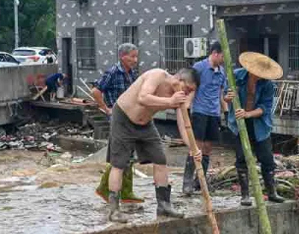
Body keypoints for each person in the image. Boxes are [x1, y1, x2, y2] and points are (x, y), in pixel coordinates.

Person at [106, 67, 200, 224]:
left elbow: (184, 124)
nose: (188, 93)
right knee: (119, 164)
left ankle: (164, 204)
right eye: (188, 89)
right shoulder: (157, 75)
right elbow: (143, 97)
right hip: (123, 118)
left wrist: (193, 148)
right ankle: (114, 210)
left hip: (146, 124)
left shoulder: (179, 97)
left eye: (191, 92)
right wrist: (170, 101)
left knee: (160, 159)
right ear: (179, 80)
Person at [224, 52, 285, 206]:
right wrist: (228, 97)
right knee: (242, 158)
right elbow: (225, 96)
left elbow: (265, 108)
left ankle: (271, 192)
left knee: (267, 159)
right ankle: (245, 195)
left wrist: (248, 113)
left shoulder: (268, 85)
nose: (259, 77)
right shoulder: (236, 76)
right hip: (239, 123)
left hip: (260, 124)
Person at [94, 44, 142, 204]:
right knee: (121, 155)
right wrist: (106, 109)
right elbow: (96, 90)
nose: (135, 60)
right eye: (132, 57)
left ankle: (126, 191)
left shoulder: (132, 74)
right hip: (118, 119)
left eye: (136, 56)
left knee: (129, 154)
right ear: (123, 56)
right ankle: (104, 188)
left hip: (131, 117)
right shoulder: (113, 72)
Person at [182, 42, 227, 196]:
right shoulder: (199, 68)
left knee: (208, 148)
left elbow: (221, 94)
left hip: (214, 113)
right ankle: (187, 183)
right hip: (200, 111)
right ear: (215, 53)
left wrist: (225, 112)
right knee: (196, 147)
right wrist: (186, 109)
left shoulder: (222, 72)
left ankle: (200, 181)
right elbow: (190, 88)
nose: (223, 59)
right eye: (222, 56)